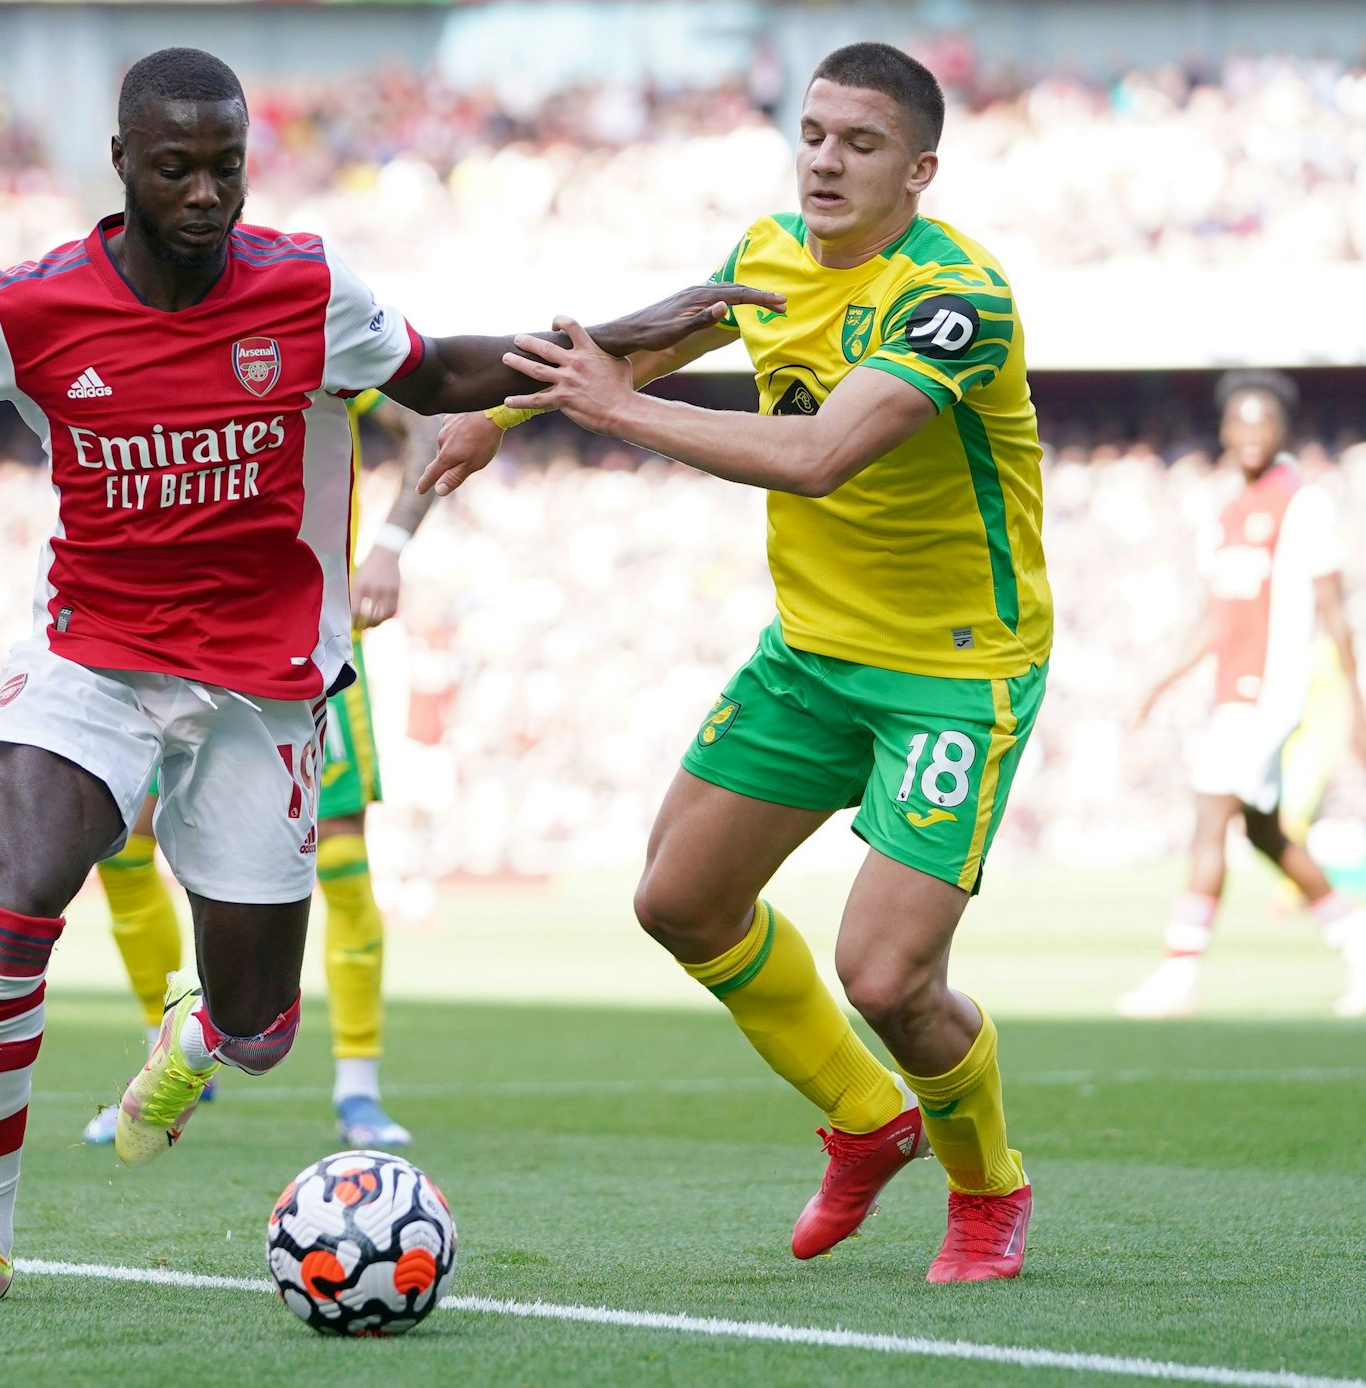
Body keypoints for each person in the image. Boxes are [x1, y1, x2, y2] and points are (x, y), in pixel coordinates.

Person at [0, 47, 769, 1307]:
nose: (206, 194)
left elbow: (440, 371)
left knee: (259, 1033)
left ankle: (200, 1030)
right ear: (124, 165)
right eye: (179, 168)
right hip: (94, 653)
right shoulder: (30, 308)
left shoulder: (307, 288)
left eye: (227, 167)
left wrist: (634, 329)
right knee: (17, 899)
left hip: (269, 678)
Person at [424, 42, 1049, 1283]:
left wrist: (605, 410)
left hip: (951, 668)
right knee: (678, 900)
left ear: (920, 169)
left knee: (888, 973)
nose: (825, 158)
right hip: (813, 653)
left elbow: (820, 453)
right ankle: (868, 1122)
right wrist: (497, 414)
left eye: (860, 143)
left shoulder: (956, 300)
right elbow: (644, 347)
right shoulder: (765, 251)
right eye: (814, 132)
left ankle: (988, 1185)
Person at [81, 388, 438, 1149]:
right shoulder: (164, 335)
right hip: (168, 638)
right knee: (121, 848)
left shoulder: (317, 329)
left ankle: (358, 1091)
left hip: (304, 646)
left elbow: (429, 418)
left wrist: (391, 544)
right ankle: (170, 1059)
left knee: (339, 860)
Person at [1119, 372, 1366, 1019]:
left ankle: (1177, 974)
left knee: (1209, 815)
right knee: (1260, 832)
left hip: (1271, 690)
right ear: (1225, 431)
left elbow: (1332, 611)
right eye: (1240, 423)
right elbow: (1214, 616)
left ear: (1281, 432)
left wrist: (1356, 708)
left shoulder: (1301, 504)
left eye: (1264, 424)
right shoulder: (1226, 512)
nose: (1251, 434)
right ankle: (1358, 947)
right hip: (1232, 692)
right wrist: (1157, 684)